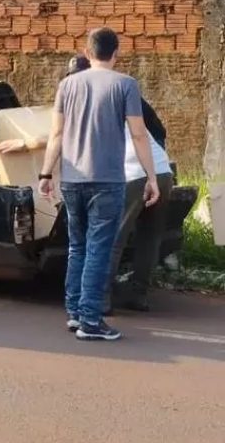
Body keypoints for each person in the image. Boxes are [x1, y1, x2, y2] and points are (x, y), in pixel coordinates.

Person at [38, 28, 160, 341]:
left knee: (77, 246)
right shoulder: (125, 84)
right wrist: (151, 176)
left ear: (87, 51)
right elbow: (138, 134)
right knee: (98, 249)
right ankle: (90, 320)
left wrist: (45, 173)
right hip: (107, 180)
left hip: (72, 179)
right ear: (116, 53)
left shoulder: (68, 84)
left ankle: (75, 312)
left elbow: (56, 135)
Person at [105, 120, 174, 313]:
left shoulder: (96, 103)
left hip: (133, 173)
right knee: (150, 238)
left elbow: (64, 135)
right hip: (162, 171)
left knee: (114, 238)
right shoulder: (129, 100)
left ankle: (101, 298)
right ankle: (138, 295)